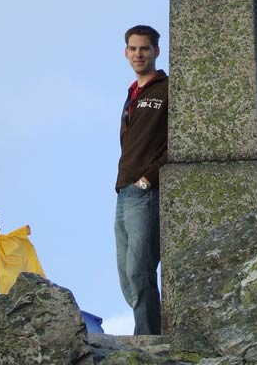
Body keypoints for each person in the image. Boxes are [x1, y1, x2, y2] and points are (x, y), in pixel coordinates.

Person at [114, 25, 168, 335]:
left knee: (140, 270)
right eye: (133, 49)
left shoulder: (167, 89)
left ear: (155, 51)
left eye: (144, 48)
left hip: (146, 191)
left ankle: (148, 339)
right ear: (126, 53)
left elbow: (181, 141)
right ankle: (145, 331)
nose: (138, 54)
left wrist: (148, 178)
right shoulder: (132, 93)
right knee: (126, 275)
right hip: (124, 191)